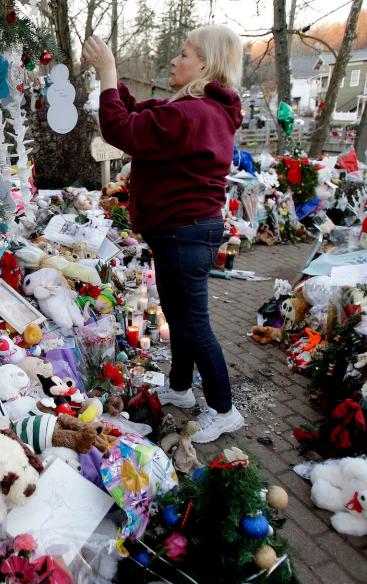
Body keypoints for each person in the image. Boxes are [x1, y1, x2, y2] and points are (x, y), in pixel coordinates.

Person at [82, 26, 245, 443]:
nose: (174, 60)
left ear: (205, 65)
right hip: (182, 232)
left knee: (193, 325)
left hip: (185, 233)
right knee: (178, 316)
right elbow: (141, 114)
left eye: (184, 54)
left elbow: (124, 130)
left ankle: (224, 410)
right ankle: (179, 387)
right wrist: (113, 82)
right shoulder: (194, 109)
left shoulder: (193, 114)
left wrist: (108, 75)